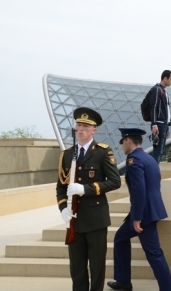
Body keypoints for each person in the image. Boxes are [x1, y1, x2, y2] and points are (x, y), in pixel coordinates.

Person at [56, 107, 121, 291]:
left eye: (86, 126)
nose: (81, 128)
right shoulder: (67, 154)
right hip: (74, 219)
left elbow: (115, 182)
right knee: (77, 267)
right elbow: (61, 186)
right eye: (78, 125)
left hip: (95, 218)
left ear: (94, 130)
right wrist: (62, 209)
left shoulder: (102, 152)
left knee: (96, 266)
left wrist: (85, 188)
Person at [108, 128, 171, 291]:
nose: (122, 146)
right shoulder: (149, 158)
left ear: (128, 141)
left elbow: (139, 190)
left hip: (145, 213)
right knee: (120, 238)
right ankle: (123, 281)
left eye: (123, 142)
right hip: (150, 209)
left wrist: (137, 217)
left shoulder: (134, 160)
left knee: (154, 253)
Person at [148, 70, 171, 163]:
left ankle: (153, 172)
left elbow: (166, 109)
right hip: (159, 124)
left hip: (164, 124)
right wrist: (154, 124)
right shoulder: (157, 89)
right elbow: (153, 107)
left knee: (161, 150)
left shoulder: (164, 91)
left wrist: (167, 125)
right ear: (165, 78)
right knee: (158, 151)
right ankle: (153, 173)